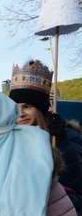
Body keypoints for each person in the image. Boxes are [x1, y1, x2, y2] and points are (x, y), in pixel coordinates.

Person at [8, 59, 82, 197]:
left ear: (41, 109)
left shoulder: (67, 135)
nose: (21, 114)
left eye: (28, 107)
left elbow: (75, 182)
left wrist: (63, 143)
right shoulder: (9, 138)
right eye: (16, 108)